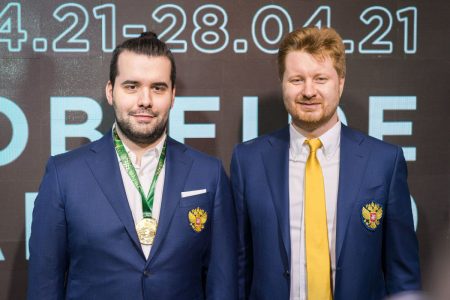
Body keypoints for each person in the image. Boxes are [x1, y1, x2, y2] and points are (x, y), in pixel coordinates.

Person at [27, 32, 237, 300]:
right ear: (110, 91)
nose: (145, 100)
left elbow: (223, 283)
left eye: (158, 88)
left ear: (173, 95)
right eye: (132, 86)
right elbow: (45, 283)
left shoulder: (209, 174)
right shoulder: (64, 175)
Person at [230, 27, 421, 300]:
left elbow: (403, 275)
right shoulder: (248, 161)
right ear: (282, 82)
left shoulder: (384, 162)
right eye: (297, 79)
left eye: (320, 79)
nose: (309, 91)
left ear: (340, 82)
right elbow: (238, 266)